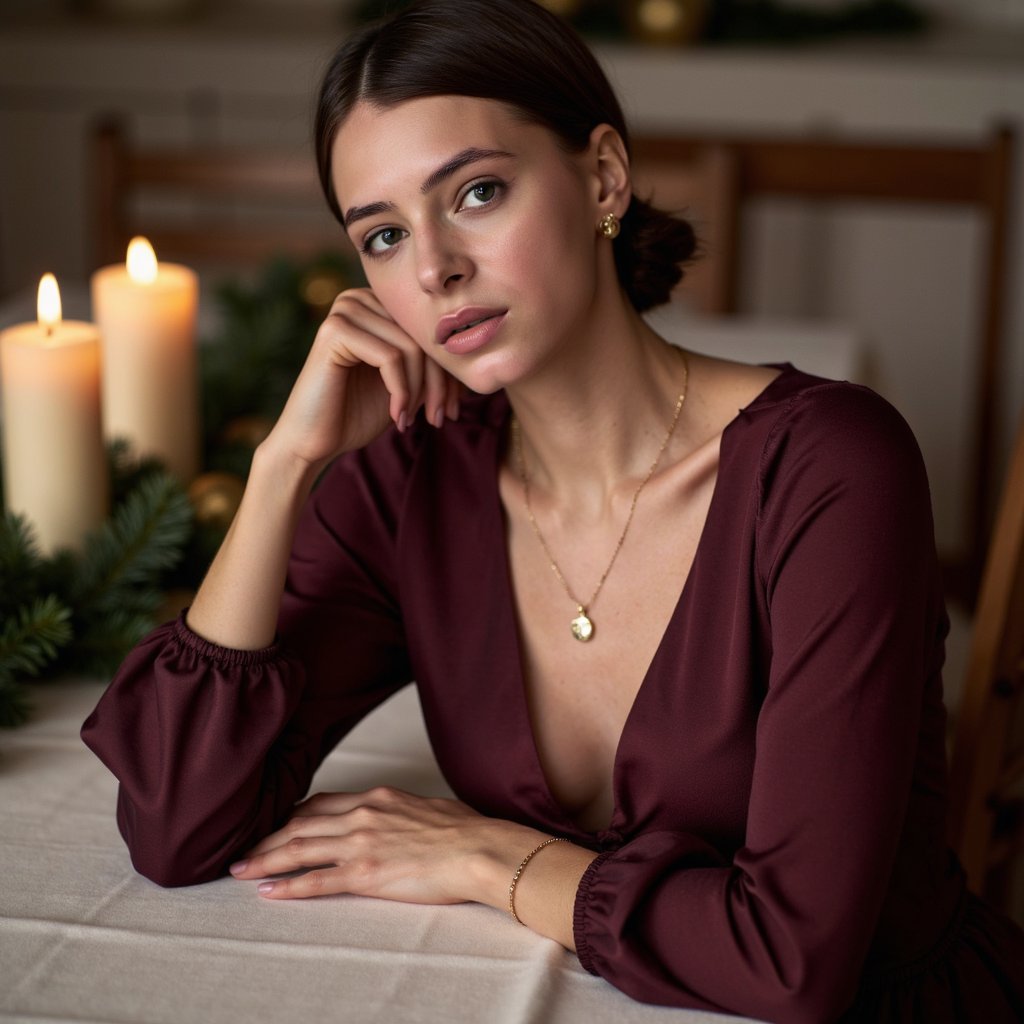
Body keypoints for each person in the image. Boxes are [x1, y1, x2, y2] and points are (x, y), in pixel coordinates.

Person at [81, 1, 1024, 1020]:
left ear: (603, 175)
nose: (433, 266)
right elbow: (176, 823)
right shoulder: (411, 479)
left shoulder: (830, 466)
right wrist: (282, 464)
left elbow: (789, 960)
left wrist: (489, 857)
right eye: (385, 235)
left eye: (477, 191)